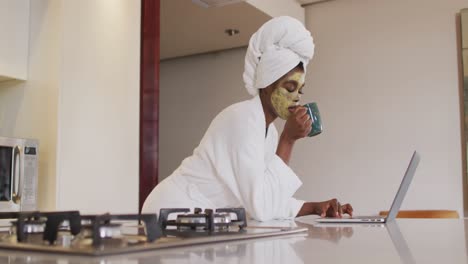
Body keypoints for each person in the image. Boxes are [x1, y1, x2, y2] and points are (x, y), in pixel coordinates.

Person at [142, 16, 353, 221]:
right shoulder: (242, 119)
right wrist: (288, 140)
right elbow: (261, 207)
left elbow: (265, 197)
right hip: (171, 210)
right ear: (267, 84)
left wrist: (315, 207)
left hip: (200, 217)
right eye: (290, 87)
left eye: (300, 90)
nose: (297, 96)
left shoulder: (268, 132)